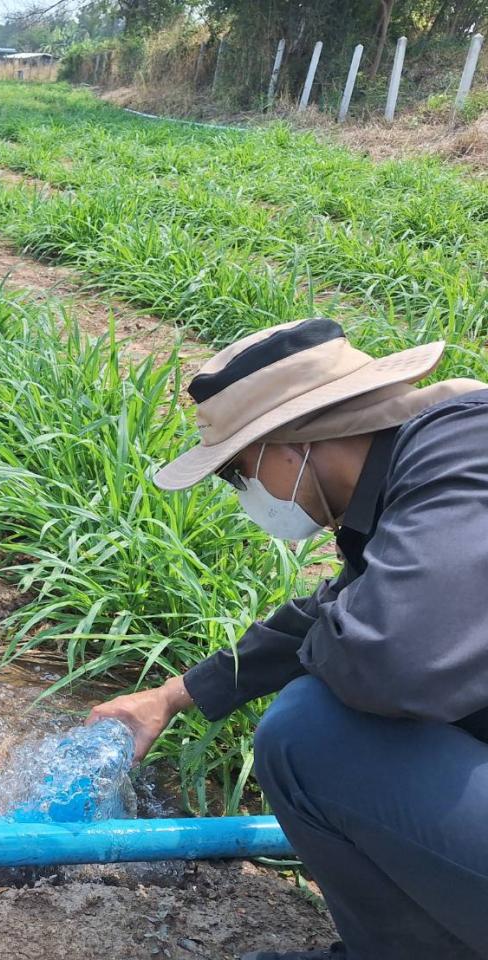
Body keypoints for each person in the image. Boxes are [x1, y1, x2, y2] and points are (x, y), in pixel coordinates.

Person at [86, 318, 488, 960]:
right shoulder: (413, 479)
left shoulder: (466, 456)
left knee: (309, 734)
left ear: (288, 448)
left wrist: (341, 630)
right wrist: (170, 695)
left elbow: (389, 660)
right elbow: (333, 614)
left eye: (237, 472)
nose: (244, 492)